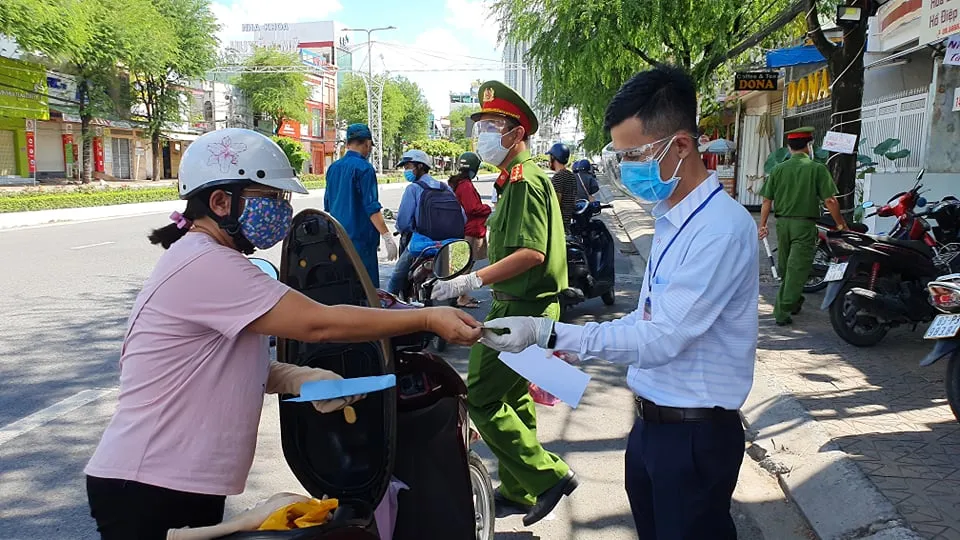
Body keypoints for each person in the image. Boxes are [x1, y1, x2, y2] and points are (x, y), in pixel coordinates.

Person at [83, 128, 482, 540]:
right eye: (270, 197)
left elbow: (211, 361)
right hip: (149, 481)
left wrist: (296, 377)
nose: (281, 210)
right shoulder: (207, 263)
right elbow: (319, 323)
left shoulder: (204, 257)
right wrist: (427, 318)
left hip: (173, 476)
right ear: (220, 202)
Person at [477, 66, 759, 540]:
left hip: (692, 435)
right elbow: (645, 317)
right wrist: (566, 344)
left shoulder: (720, 229)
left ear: (681, 146)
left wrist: (550, 332)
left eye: (634, 155)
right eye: (621, 155)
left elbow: (661, 338)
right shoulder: (671, 218)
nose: (627, 168)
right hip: (653, 425)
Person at [430, 81, 577, 526]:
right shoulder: (513, 179)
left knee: (479, 398)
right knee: (514, 396)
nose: (484, 134)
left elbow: (531, 253)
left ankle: (549, 476)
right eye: (482, 125)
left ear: (517, 133)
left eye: (493, 125)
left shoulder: (525, 180)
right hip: (524, 303)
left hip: (523, 309)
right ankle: (518, 486)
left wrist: (472, 278)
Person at [759, 126, 847, 326]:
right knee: (797, 268)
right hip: (804, 225)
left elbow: (766, 200)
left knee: (785, 266)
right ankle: (782, 311)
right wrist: (841, 224)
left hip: (782, 224)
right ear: (809, 146)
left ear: (789, 147)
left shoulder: (778, 169)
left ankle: (795, 300)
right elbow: (830, 201)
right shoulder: (816, 168)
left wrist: (762, 225)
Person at [324, 123, 397, 284]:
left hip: (338, 240)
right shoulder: (365, 168)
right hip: (361, 243)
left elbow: (328, 205)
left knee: (344, 287)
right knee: (366, 290)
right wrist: (387, 236)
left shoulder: (333, 168)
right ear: (367, 143)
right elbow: (371, 207)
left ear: (348, 143)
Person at [386, 149, 466, 296]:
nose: (406, 171)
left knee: (396, 277)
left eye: (408, 166)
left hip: (422, 243)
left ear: (420, 166)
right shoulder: (445, 187)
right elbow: (463, 217)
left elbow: (403, 223)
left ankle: (387, 303)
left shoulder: (413, 188)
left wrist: (405, 229)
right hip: (448, 244)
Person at [448, 151, 492, 308]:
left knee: (465, 265)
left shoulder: (458, 183)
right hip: (472, 230)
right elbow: (472, 208)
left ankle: (461, 295)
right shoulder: (465, 185)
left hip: (469, 229)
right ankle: (461, 297)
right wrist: (487, 208)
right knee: (466, 266)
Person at [546, 143, 577, 232]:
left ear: (553, 158)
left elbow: (555, 204)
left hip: (558, 225)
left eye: (550, 157)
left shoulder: (558, 177)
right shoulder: (571, 176)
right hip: (568, 223)